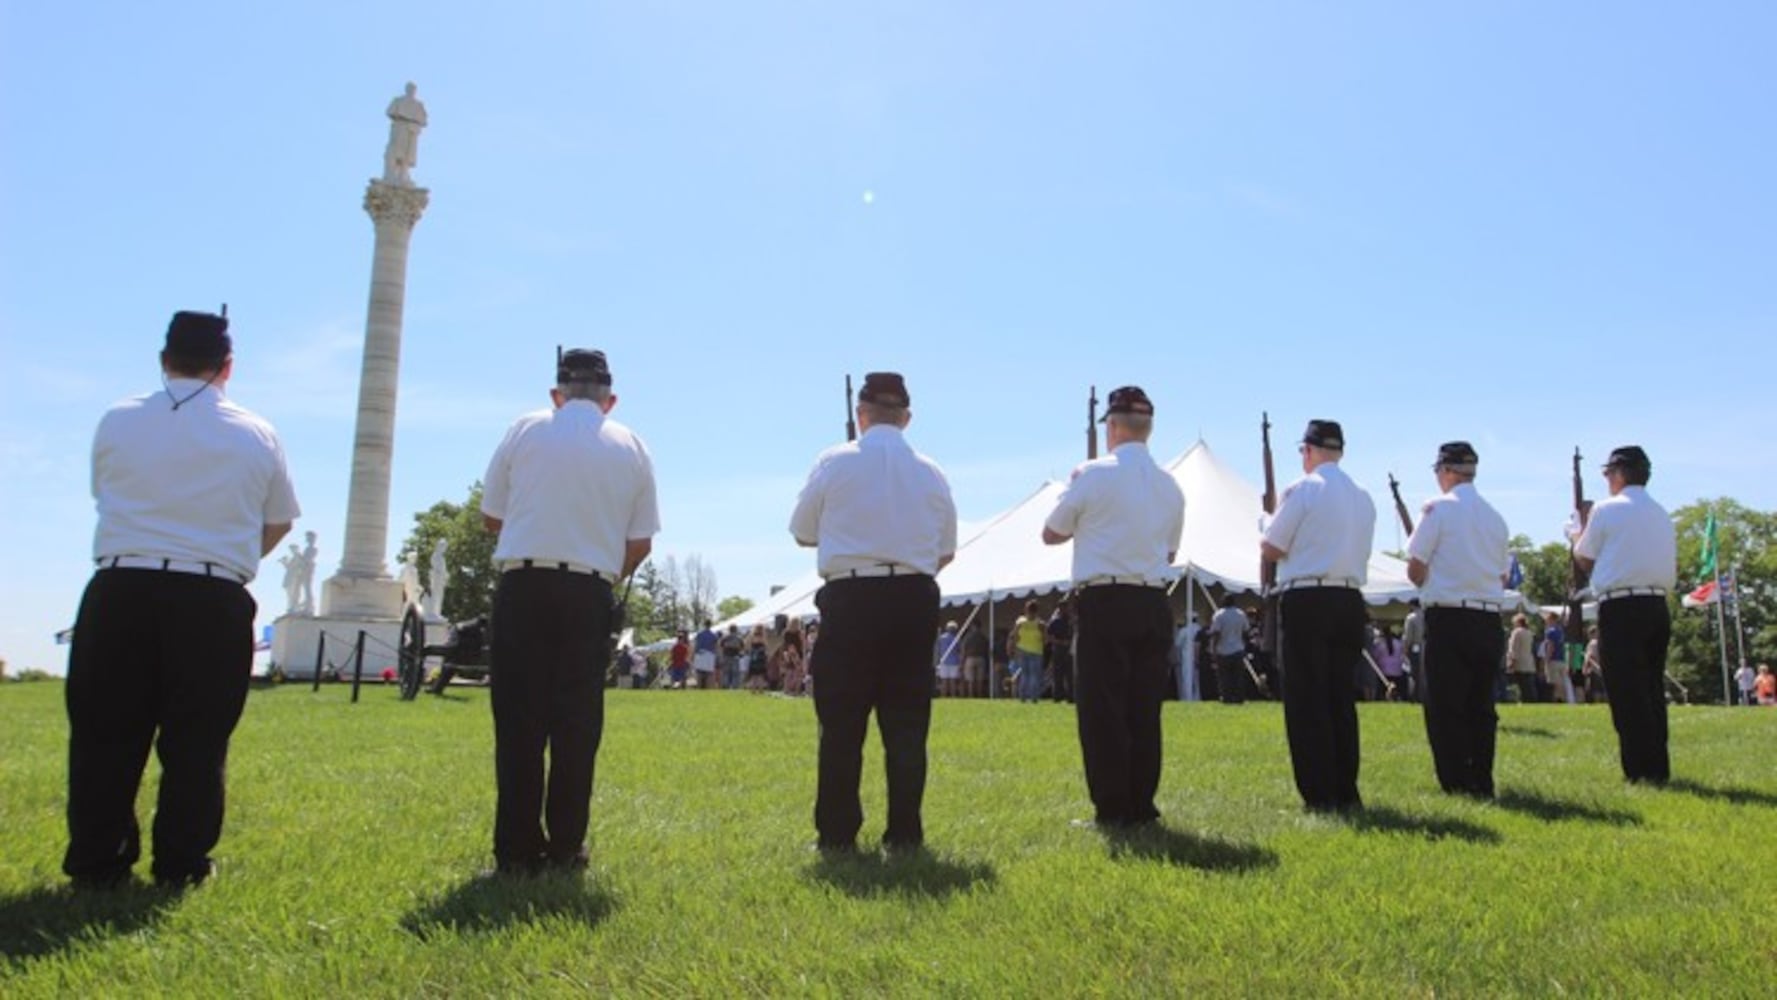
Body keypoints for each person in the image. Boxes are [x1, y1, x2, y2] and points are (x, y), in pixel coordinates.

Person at [65, 309, 301, 889]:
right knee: (197, 739)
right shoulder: (255, 432)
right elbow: (278, 522)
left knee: (104, 735)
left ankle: (98, 861)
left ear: (164, 358)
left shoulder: (117, 419)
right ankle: (182, 862)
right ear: (228, 367)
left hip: (120, 586)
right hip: (212, 594)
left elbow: (105, 493)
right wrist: (227, 555)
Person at [480, 347, 659, 875]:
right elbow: (640, 540)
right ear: (610, 400)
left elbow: (492, 516)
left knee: (518, 725)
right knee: (577, 725)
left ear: (556, 395)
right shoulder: (631, 445)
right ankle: (565, 846)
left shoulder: (524, 429)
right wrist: (600, 570)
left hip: (524, 583)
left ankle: (515, 850)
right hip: (588, 589)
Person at [790, 372, 958, 854]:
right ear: (906, 418)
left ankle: (837, 835)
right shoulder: (932, 471)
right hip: (913, 597)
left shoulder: (833, 461)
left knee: (841, 724)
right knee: (907, 724)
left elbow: (802, 531)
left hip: (852, 597)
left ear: (861, 415)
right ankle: (905, 833)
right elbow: (945, 550)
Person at [1043, 385, 1185, 830]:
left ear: (1113, 426)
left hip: (1105, 598)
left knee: (1102, 708)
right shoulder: (1170, 485)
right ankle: (1141, 804)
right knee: (1144, 708)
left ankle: (1111, 807)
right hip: (1152, 598)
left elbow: (1052, 531)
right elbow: (1168, 554)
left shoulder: (1092, 473)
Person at [1260, 419, 1377, 814]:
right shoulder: (1363, 496)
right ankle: (1346, 787)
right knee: (1339, 697)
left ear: (1308, 451)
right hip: (1349, 597)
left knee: (1307, 698)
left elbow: (1273, 547)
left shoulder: (1302, 489)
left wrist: (1266, 520)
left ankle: (1319, 792)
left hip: (1308, 596)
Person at [1404, 441, 1510, 799]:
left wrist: (1431, 580)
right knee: (1481, 706)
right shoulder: (1495, 517)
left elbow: (1416, 566)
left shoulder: (1437, 509)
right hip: (1488, 617)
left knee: (1445, 704)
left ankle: (1455, 781)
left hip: (1448, 615)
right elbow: (1502, 576)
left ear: (1445, 470)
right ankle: (1481, 778)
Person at [1572, 446, 1678, 783]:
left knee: (1626, 691)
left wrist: (1577, 533)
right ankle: (1657, 765)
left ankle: (1639, 770)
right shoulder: (1661, 512)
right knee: (1649, 687)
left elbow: (1585, 558)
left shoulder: (1606, 510)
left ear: (1618, 473)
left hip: (1621, 605)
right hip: (1657, 604)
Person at [383, 82, 428, 185]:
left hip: (411, 131)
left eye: (413, 89)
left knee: (407, 155)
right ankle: (391, 175)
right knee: (396, 151)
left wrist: (414, 120)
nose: (411, 90)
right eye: (410, 88)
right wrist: (401, 116)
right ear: (406, 89)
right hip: (400, 128)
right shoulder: (398, 101)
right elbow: (390, 112)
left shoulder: (418, 105)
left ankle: (403, 175)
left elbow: (424, 120)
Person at [1208, 602, 1251, 704]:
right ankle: (1239, 697)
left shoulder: (1219, 614)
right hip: (1238, 649)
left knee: (1224, 677)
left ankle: (1226, 697)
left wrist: (1213, 649)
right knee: (1238, 676)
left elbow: (1216, 633)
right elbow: (1246, 630)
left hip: (1223, 650)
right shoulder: (1241, 614)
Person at [1007, 601, 1048, 703]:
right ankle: (1034, 697)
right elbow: (1045, 640)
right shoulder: (1041, 624)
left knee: (1024, 674)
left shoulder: (1020, 622)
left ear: (1026, 610)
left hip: (1022, 650)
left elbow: (1014, 636)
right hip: (1037, 651)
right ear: (1037, 611)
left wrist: (1013, 648)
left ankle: (1023, 697)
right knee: (1035, 675)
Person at [1047, 599, 1076, 703]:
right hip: (1058, 649)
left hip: (1069, 649)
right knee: (1058, 674)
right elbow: (1049, 636)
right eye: (1063, 607)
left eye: (1066, 607)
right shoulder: (1055, 621)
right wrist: (1060, 642)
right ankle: (1058, 696)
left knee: (1070, 674)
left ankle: (1071, 696)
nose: (1065, 609)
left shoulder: (1072, 620)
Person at [1541, 611, 1573, 704]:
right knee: (1561, 681)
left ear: (1551, 619)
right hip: (1562, 659)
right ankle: (1562, 698)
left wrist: (1546, 660)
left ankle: (1557, 700)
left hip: (1553, 660)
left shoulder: (1550, 632)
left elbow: (1551, 646)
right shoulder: (1561, 631)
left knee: (1554, 682)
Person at [1507, 615, 1538, 705]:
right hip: (1529, 662)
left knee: (1521, 685)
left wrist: (1511, 661)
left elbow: (1513, 648)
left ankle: (1523, 700)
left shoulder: (1516, 632)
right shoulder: (1529, 633)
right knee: (1529, 685)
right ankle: (1531, 700)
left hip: (1519, 662)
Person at [1173, 612, 1201, 702]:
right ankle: (1197, 698)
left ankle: (1187, 698)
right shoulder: (1200, 629)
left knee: (1187, 679)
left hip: (1187, 658)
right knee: (1197, 680)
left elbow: (1177, 644)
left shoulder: (1184, 630)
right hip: (1199, 657)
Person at [1401, 600, 1424, 702]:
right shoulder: (1426, 615)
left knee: (1414, 674)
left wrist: (1405, 650)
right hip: (1425, 646)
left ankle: (1415, 696)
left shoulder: (1411, 617)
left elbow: (1408, 636)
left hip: (1415, 648)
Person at [934, 621, 963, 698]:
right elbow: (960, 651)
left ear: (947, 628)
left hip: (943, 661)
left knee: (944, 681)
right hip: (954, 662)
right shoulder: (957, 639)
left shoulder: (941, 638)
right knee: (953, 682)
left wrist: (936, 662)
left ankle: (943, 697)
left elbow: (938, 651)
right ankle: (953, 697)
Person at [961, 621, 990, 699]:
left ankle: (971, 696)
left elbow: (963, 650)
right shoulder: (983, 637)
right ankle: (979, 695)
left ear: (973, 626)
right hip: (981, 658)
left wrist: (962, 662)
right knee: (980, 680)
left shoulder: (967, 637)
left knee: (971, 679)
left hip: (970, 658)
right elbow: (987, 649)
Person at [692, 620, 720, 691]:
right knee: (709, 674)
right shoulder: (714, 635)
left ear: (704, 625)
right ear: (710, 625)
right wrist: (717, 657)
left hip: (700, 654)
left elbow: (695, 645)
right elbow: (716, 647)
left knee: (699, 673)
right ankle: (708, 690)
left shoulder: (699, 634)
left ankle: (699, 689)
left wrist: (693, 655)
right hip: (710, 655)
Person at [719, 625, 746, 690]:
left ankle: (725, 685)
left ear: (729, 630)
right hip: (735, 656)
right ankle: (735, 686)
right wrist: (741, 654)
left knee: (726, 672)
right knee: (735, 673)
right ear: (736, 630)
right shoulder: (739, 638)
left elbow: (720, 645)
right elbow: (743, 647)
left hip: (726, 656)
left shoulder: (725, 637)